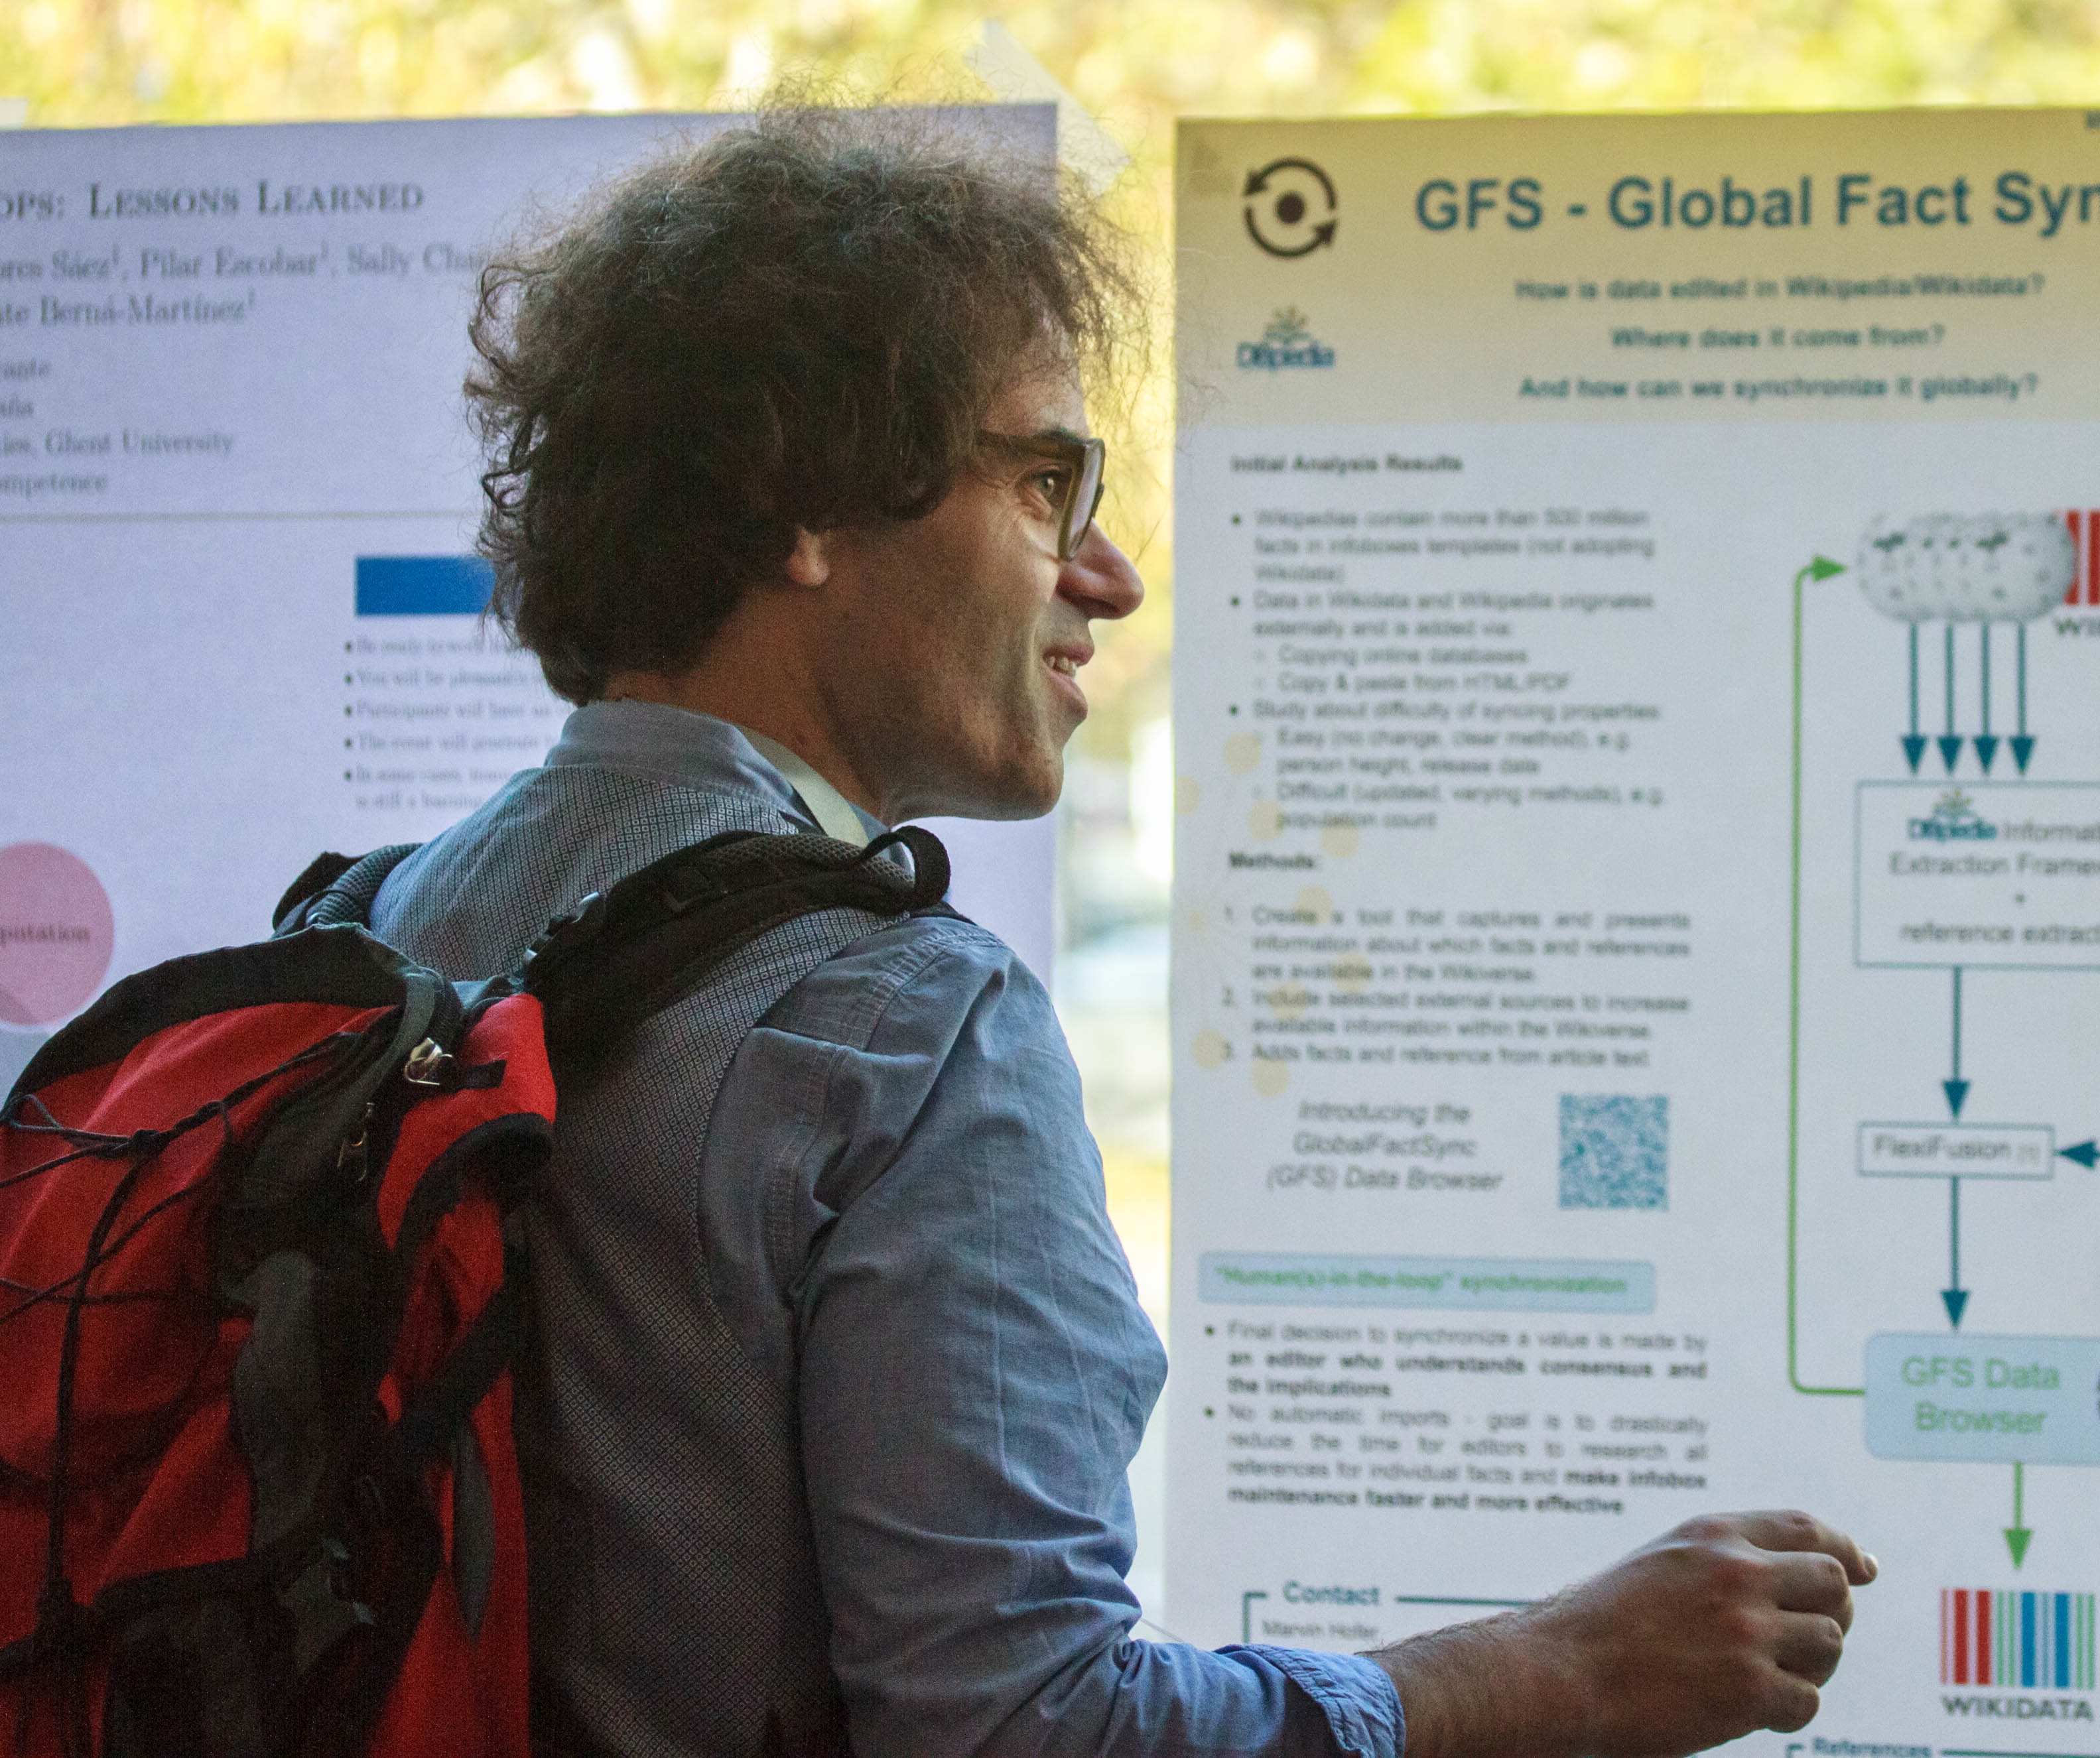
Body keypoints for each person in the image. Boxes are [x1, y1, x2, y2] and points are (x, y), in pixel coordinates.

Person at [370, 107, 1874, 1758]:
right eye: (1044, 483)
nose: (1107, 577)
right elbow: (1027, 1730)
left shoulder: (370, 932)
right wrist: (1557, 1674)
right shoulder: (902, 1028)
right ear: (796, 504)